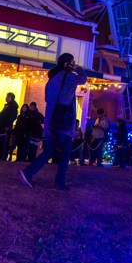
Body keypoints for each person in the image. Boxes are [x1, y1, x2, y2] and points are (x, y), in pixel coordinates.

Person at [18, 53, 87, 192]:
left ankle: (28, 172)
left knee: (49, 150)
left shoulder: (51, 79)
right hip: (65, 122)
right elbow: (83, 79)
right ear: (67, 64)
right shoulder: (70, 77)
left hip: (51, 120)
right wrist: (76, 67)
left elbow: (47, 99)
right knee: (65, 153)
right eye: (72, 61)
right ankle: (59, 182)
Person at [0, 92, 18, 161]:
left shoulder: (12, 106)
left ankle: (3, 156)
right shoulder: (8, 106)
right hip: (1, 126)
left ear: (10, 98)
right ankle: (1, 155)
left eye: (7, 97)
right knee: (0, 141)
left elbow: (12, 117)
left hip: (5, 127)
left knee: (4, 141)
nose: (6, 98)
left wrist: (7, 125)